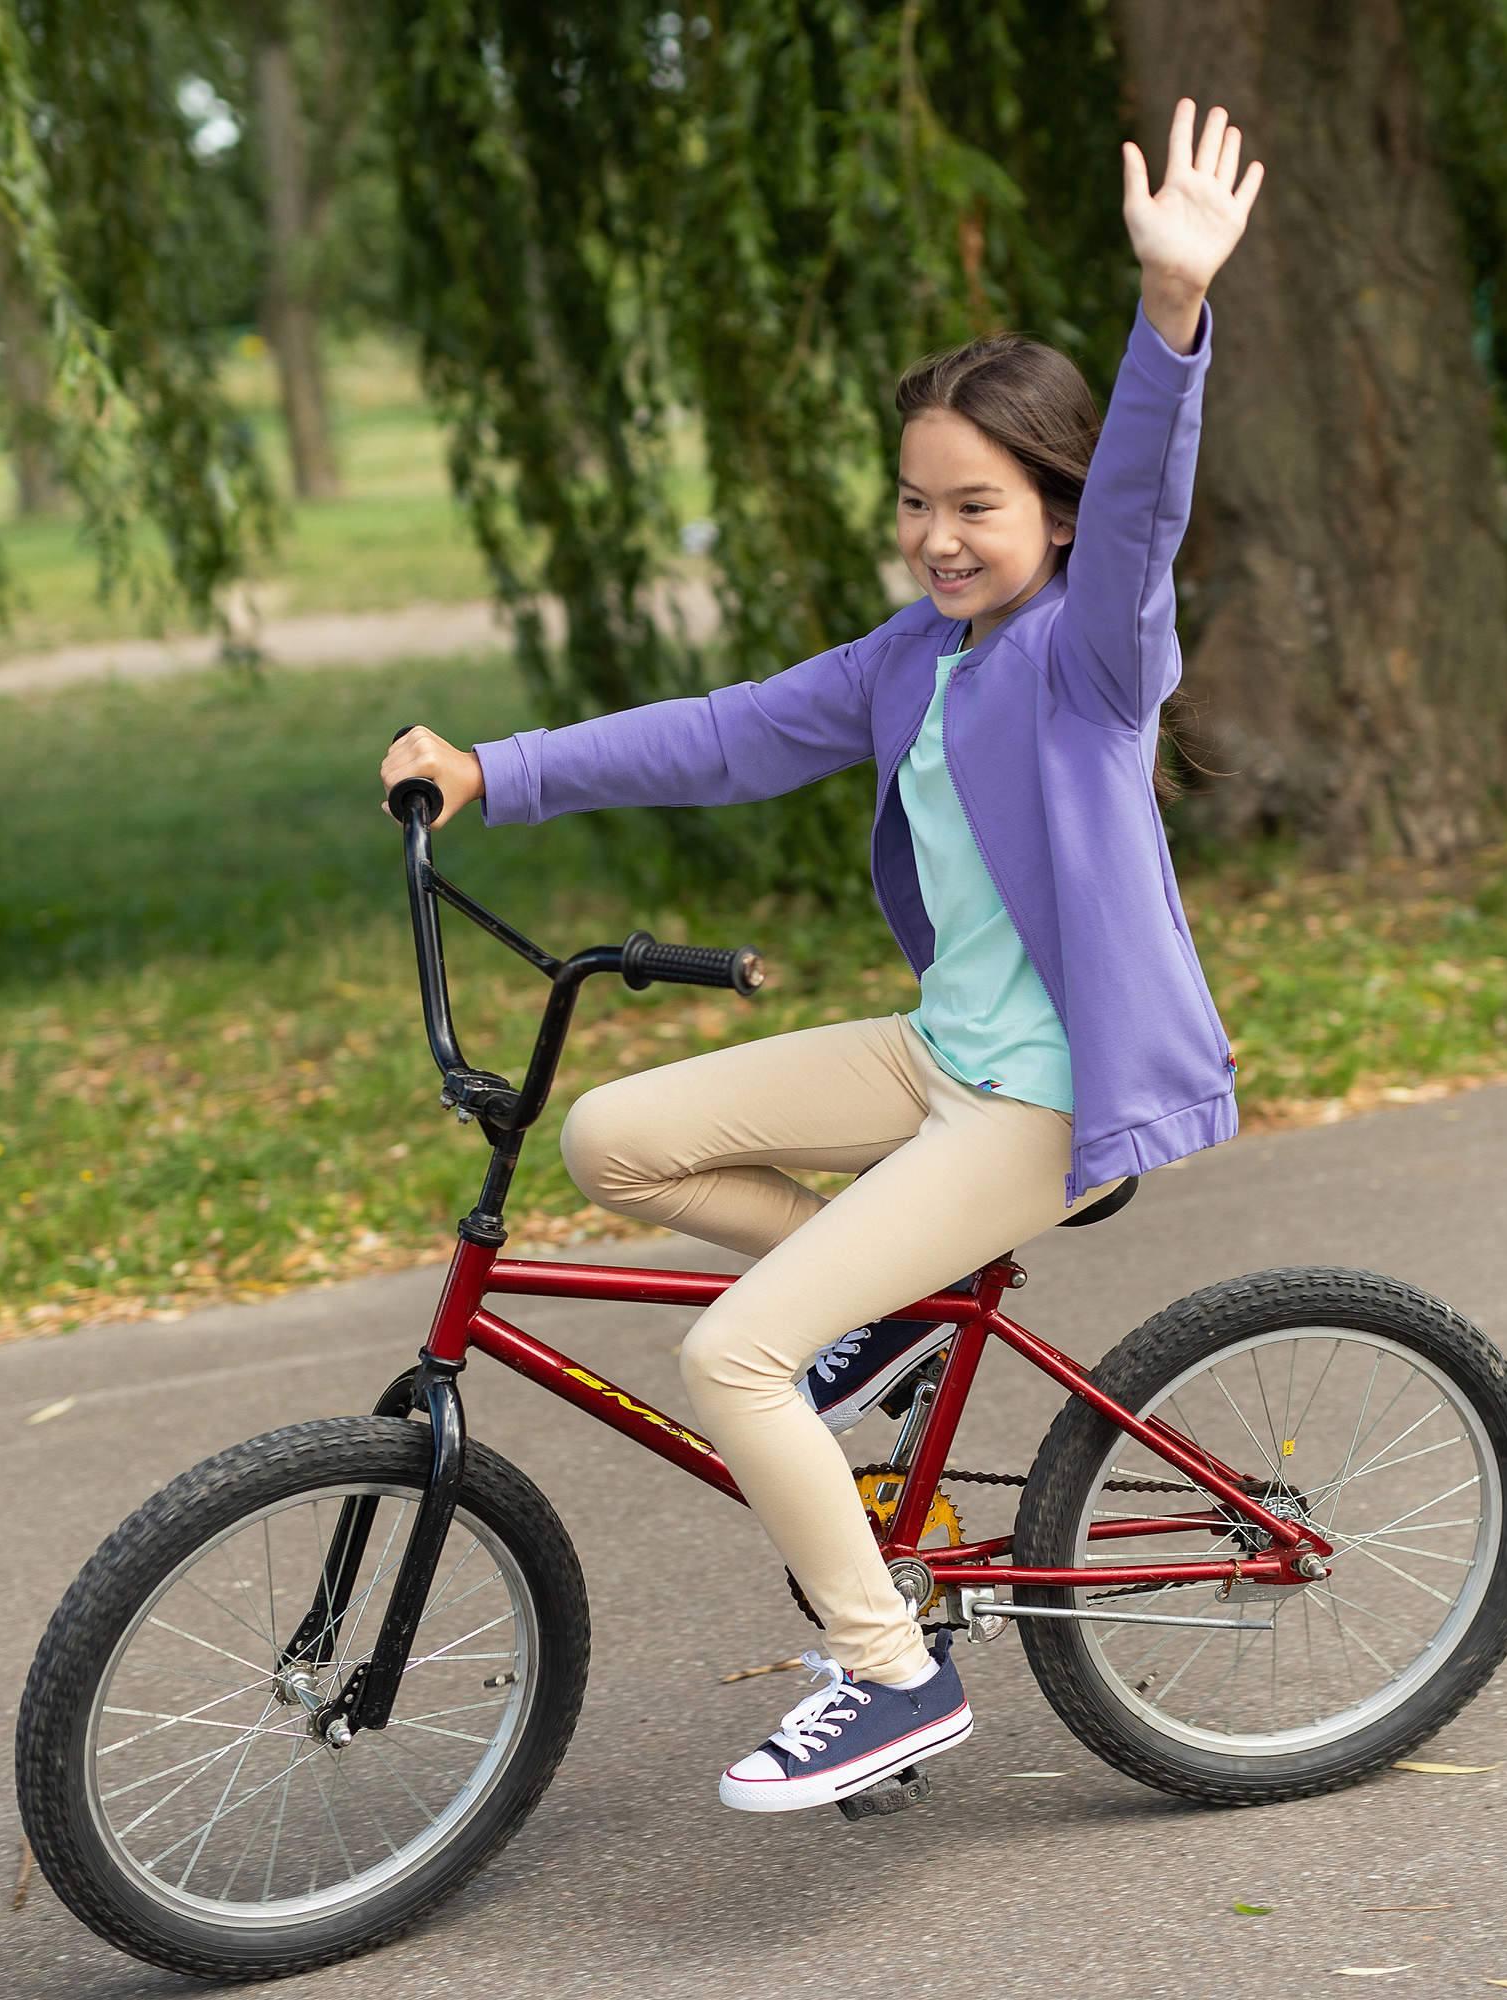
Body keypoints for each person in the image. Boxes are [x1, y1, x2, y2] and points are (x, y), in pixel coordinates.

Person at [380, 98, 1264, 1815]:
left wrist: (1171, 317)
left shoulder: (1095, 654)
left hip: (1043, 1103)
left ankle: (889, 1674)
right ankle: (881, 1324)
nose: (942, 536)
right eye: (918, 503)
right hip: (943, 1056)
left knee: (731, 1356)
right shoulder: (909, 660)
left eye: (981, 506)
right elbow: (718, 734)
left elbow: (1153, 492)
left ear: (1061, 516)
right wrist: (497, 772)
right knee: (613, 1138)